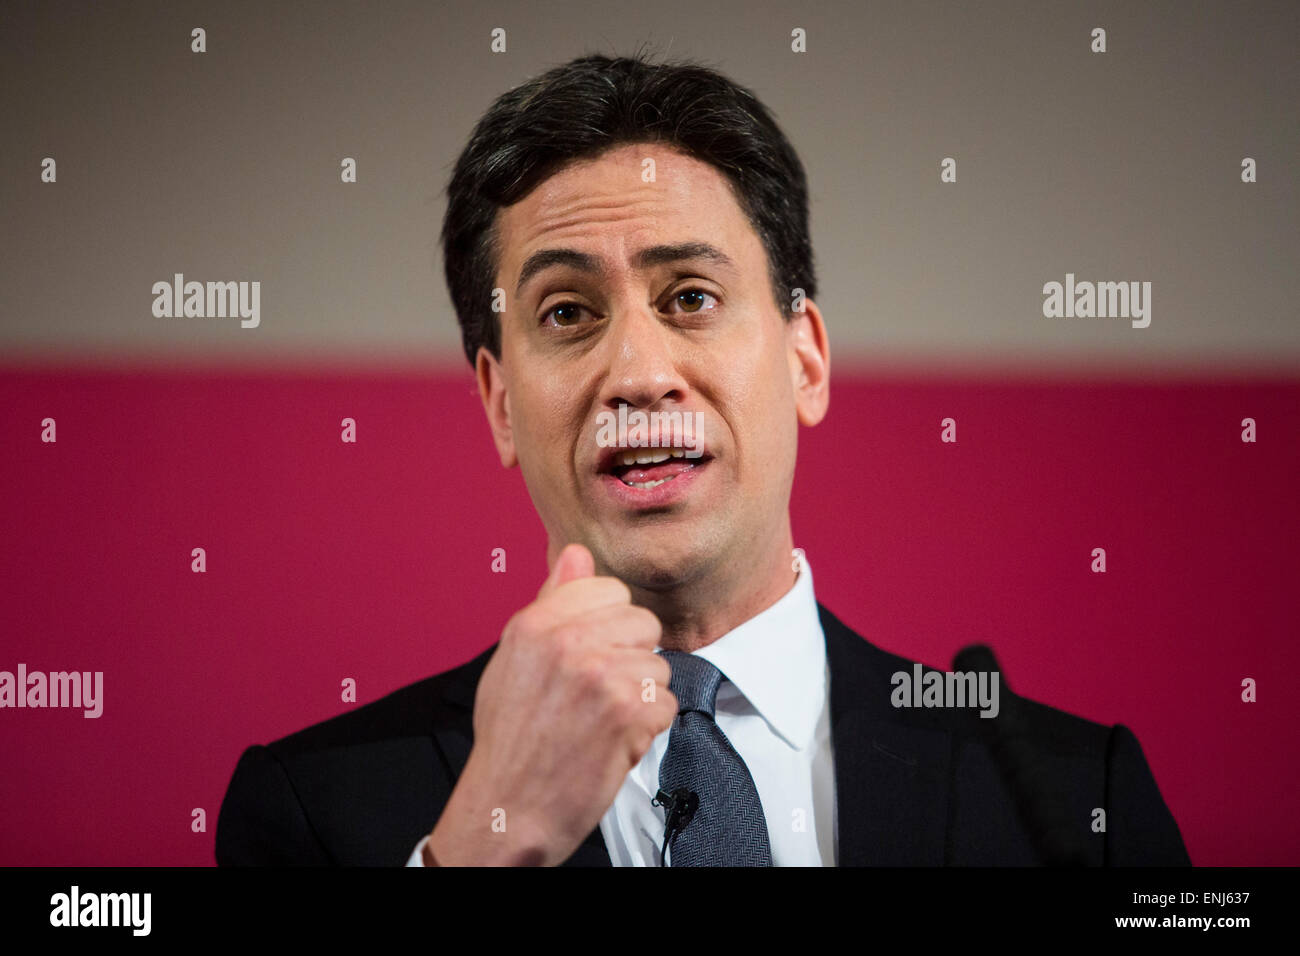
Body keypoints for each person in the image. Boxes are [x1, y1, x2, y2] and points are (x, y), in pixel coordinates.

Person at [216, 53, 1190, 867]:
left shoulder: (1068, 796)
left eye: (689, 296)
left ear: (804, 356)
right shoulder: (313, 809)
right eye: (566, 313)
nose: (638, 373)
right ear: (500, 400)